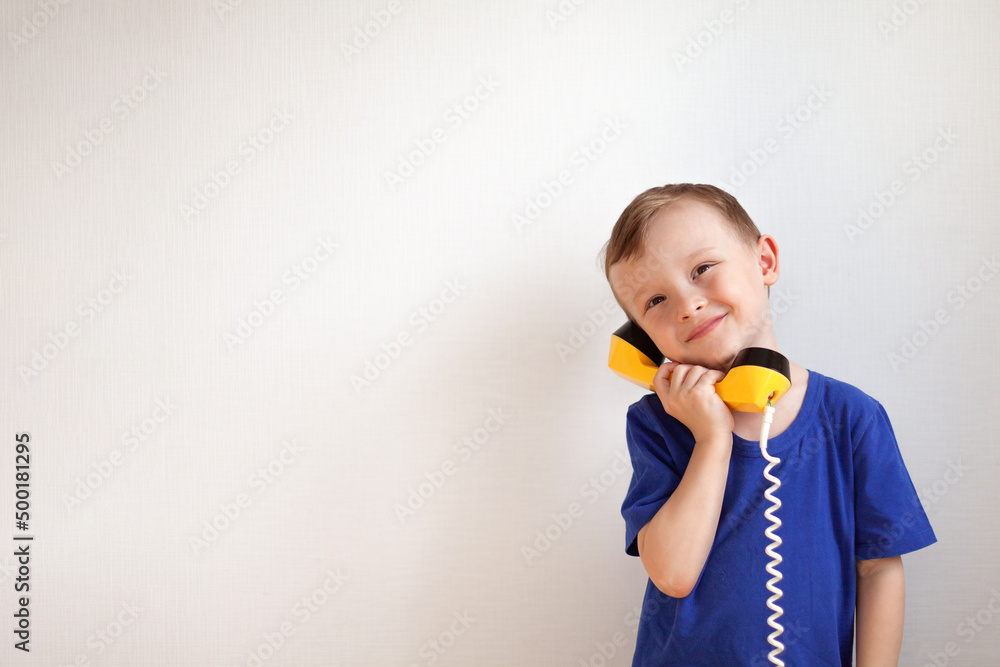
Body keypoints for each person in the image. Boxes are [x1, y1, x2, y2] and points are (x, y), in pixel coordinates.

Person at [599, 184, 937, 666]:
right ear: (642, 341)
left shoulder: (851, 417)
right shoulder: (656, 424)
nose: (687, 305)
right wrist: (711, 439)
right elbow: (673, 574)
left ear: (765, 262)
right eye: (655, 300)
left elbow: (879, 569)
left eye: (702, 269)